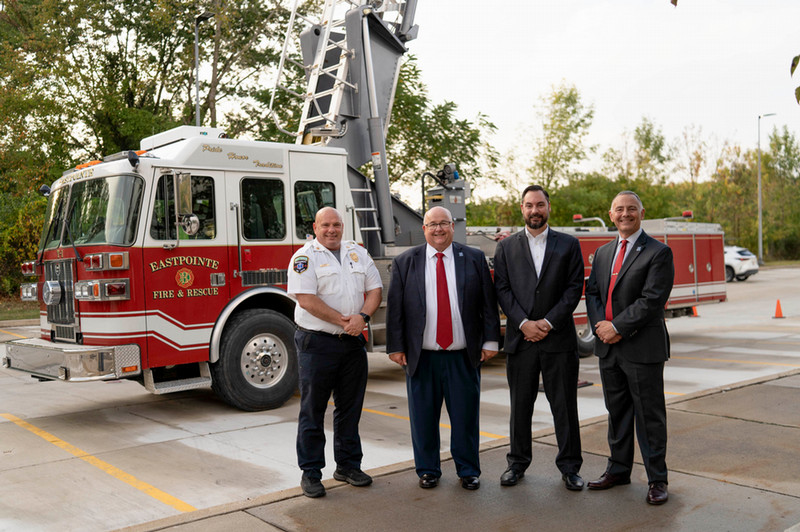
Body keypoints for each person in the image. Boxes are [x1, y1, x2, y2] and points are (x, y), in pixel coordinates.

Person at [386, 206, 501, 491]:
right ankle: (427, 470)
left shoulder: (473, 257)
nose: (438, 229)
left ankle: (468, 470)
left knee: (465, 417)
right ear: (423, 229)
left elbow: (488, 303)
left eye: (444, 224)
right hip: (421, 356)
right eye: (432, 224)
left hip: (463, 355)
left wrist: (490, 340)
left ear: (453, 226)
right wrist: (396, 346)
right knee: (423, 418)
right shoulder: (406, 262)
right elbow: (395, 309)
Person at [584, 191, 674, 505]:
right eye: (619, 209)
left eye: (631, 209)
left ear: (641, 213)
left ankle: (657, 480)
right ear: (611, 215)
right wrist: (601, 327)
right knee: (617, 412)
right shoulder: (603, 252)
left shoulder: (658, 252)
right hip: (609, 348)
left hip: (642, 348)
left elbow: (652, 300)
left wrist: (617, 327)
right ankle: (618, 470)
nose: (625, 214)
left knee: (649, 417)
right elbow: (592, 292)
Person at [493, 185, 585, 490]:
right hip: (521, 341)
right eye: (529, 205)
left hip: (558, 339)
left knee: (565, 406)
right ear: (522, 208)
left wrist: (546, 322)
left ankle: (570, 467)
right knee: (520, 406)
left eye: (540, 204)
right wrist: (523, 324)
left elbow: (574, 289)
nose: (535, 210)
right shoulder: (505, 248)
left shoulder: (568, 245)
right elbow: (502, 291)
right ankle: (517, 463)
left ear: (549, 207)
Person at [287, 206, 383, 498]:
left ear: (343, 227)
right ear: (315, 228)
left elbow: (376, 289)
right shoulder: (304, 257)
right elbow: (305, 299)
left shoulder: (357, 253)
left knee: (350, 409)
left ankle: (348, 466)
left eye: (337, 225)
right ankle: (312, 473)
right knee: (313, 410)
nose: (332, 230)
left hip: (352, 342)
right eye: (326, 225)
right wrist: (343, 321)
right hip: (318, 343)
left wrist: (362, 318)